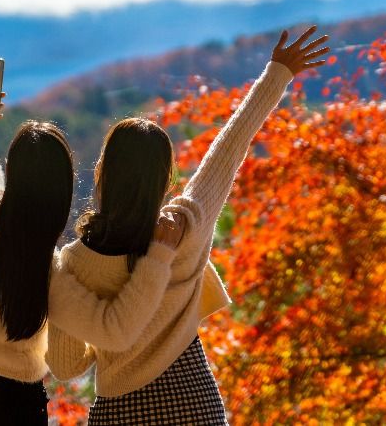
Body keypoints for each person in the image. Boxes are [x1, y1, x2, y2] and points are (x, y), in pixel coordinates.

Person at [47, 26, 331, 425]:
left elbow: (66, 366)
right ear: (165, 179)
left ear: (103, 173)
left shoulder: (76, 262)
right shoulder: (184, 226)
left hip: (120, 413)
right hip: (194, 402)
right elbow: (229, 149)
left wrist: (104, 330)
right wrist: (277, 73)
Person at [0, 80, 185, 426]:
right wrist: (159, 258)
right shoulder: (51, 274)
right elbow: (116, 330)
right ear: (63, 192)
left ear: (12, 171)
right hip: (12, 404)